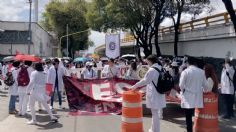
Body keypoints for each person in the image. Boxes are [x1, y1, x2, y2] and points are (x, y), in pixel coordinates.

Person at [130, 55, 166, 132]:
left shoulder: (152, 70)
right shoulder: (161, 68)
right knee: (155, 113)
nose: (147, 63)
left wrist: (135, 86)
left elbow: (145, 81)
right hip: (160, 92)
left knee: (155, 114)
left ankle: (156, 130)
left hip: (154, 93)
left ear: (150, 61)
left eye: (147, 61)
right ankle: (153, 129)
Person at [179, 57, 209, 132]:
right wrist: (204, 90)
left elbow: (181, 85)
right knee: (195, 113)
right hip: (197, 96)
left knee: (188, 116)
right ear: (195, 63)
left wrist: (183, 90)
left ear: (188, 63)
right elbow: (206, 85)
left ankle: (189, 130)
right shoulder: (201, 72)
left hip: (188, 97)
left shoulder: (185, 72)